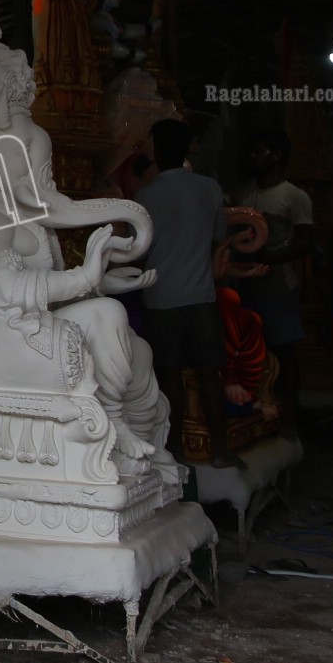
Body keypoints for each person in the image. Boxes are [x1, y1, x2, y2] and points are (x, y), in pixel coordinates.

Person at [135, 119, 235, 466]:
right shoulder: (209, 188)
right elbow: (218, 237)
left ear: (159, 151)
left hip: (161, 298)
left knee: (169, 374)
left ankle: (173, 450)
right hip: (201, 297)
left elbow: (138, 250)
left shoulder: (147, 195)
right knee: (210, 374)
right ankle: (221, 450)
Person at [235, 130, 313, 429]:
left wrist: (271, 257)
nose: (252, 157)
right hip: (246, 283)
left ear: (277, 156)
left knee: (284, 350)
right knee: (251, 351)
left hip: (279, 285)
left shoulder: (294, 196)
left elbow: (306, 241)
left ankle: (290, 416)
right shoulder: (245, 193)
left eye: (259, 151)